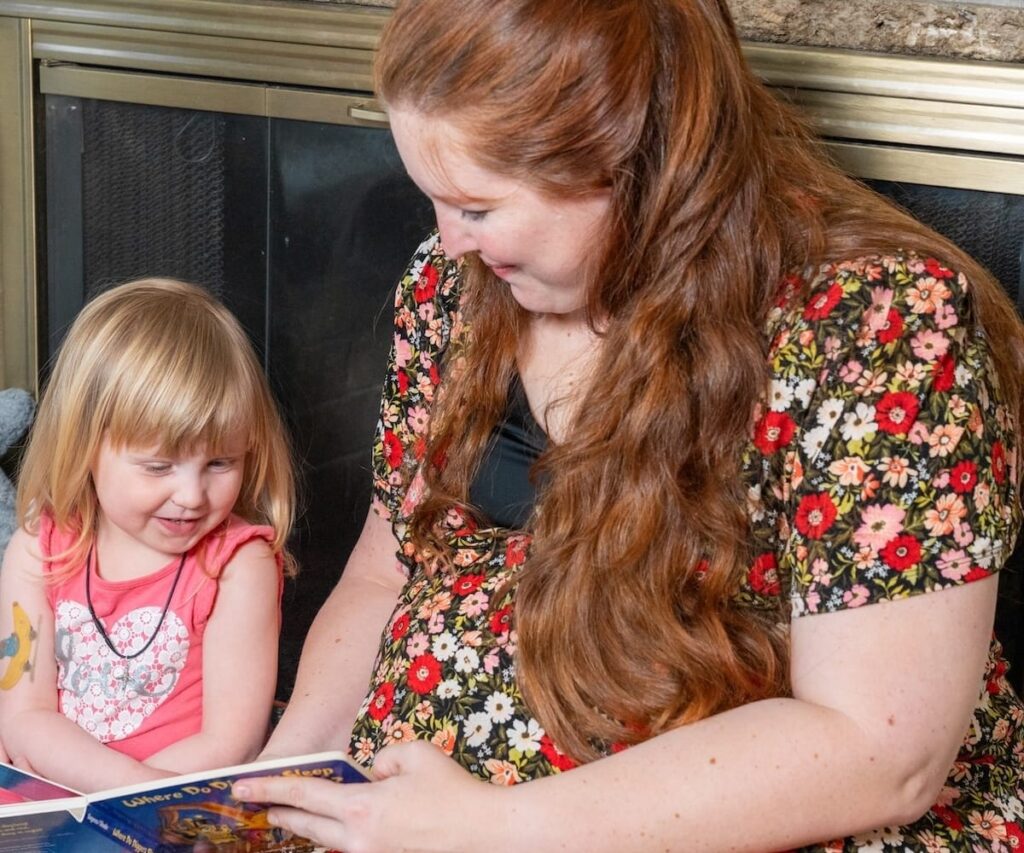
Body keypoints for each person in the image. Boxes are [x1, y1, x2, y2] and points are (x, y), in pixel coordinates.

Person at [236, 0, 1024, 850]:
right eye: (432, 198)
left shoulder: (870, 328)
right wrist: (289, 775)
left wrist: (497, 828)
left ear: (632, 162)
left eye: (476, 205)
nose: (448, 239)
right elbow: (386, 572)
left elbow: (881, 750)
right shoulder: (456, 290)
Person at [0, 278, 295, 793]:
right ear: (85, 446)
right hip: (50, 797)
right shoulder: (39, 546)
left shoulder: (238, 565)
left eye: (220, 463)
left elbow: (232, 743)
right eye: (159, 466)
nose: (192, 495)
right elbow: (22, 714)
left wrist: (126, 798)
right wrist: (106, 793)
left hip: (168, 804)